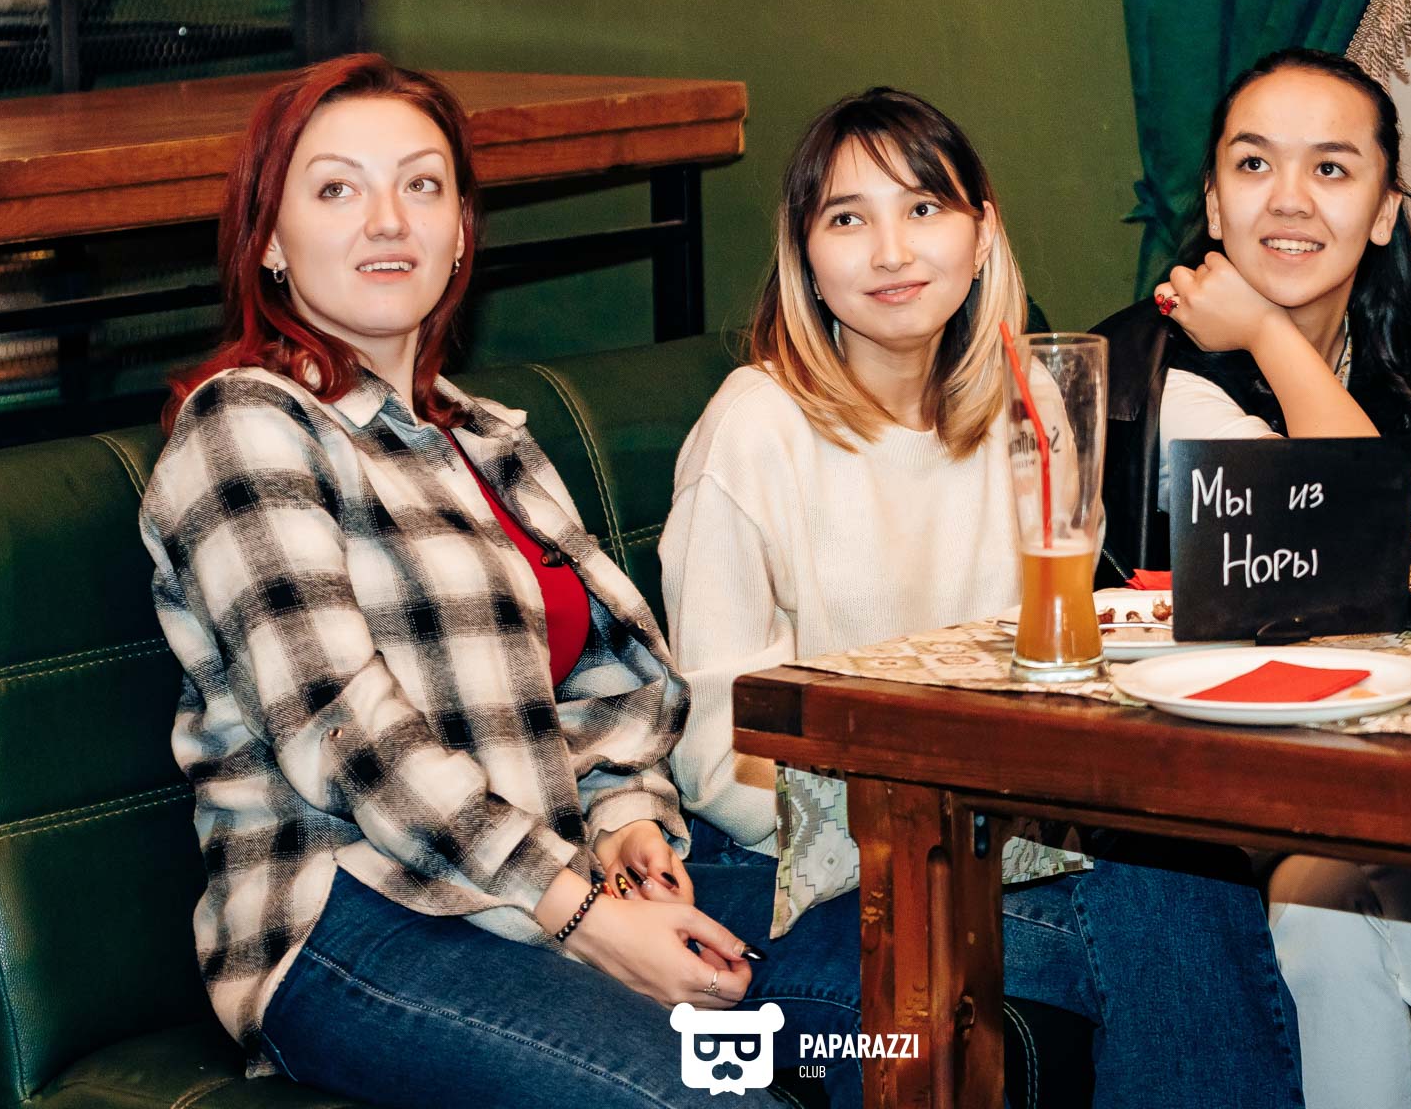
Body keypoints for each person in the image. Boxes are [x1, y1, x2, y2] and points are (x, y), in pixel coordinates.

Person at [139, 54, 882, 1108]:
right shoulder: (247, 425)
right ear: (269, 239)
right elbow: (346, 737)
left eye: (422, 184)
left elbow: (610, 679)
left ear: (458, 232)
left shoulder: (487, 437)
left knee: (908, 1007)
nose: (388, 219)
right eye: (337, 188)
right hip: (357, 918)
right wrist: (584, 913)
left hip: (557, 877)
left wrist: (628, 824)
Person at [660, 86, 1305, 1108]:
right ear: (807, 258)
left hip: (1005, 840)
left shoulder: (1029, 404)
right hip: (806, 876)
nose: (890, 251)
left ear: (981, 234)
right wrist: (944, 826)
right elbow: (713, 756)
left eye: (924, 208)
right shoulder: (756, 428)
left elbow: (1046, 665)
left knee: (1182, 872)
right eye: (847, 218)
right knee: (1172, 892)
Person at [1088, 48, 1411, 1109]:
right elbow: (1347, 512)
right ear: (1212, 202)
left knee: (1338, 912)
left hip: (1368, 771)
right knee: (1389, 888)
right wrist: (1271, 336)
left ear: (1384, 211)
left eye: (1330, 168)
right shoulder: (1158, 367)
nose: (1288, 199)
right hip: (1195, 788)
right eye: (1253, 164)